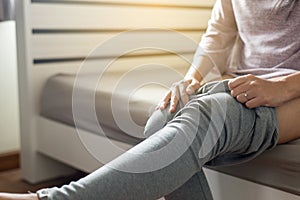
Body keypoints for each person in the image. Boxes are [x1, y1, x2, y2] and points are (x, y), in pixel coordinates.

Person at [1, 0, 299, 199]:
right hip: (242, 79)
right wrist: (193, 77)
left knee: (208, 116)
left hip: (293, 92)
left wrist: (284, 86)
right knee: (162, 117)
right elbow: (220, 31)